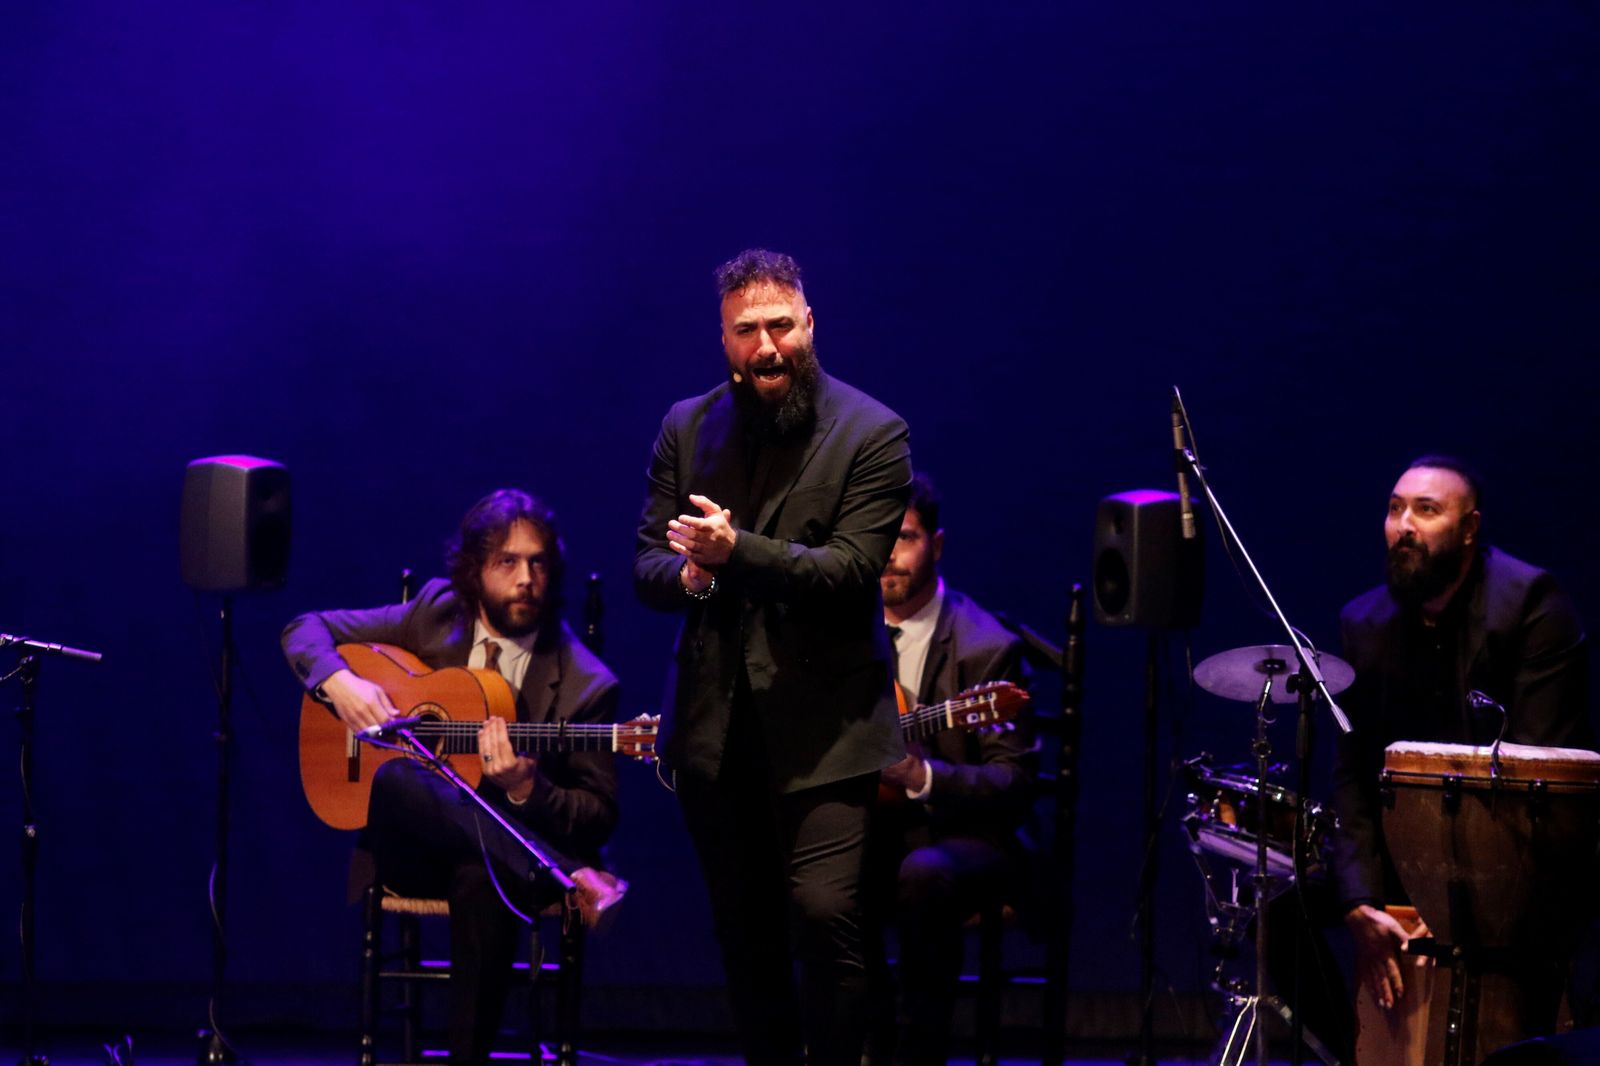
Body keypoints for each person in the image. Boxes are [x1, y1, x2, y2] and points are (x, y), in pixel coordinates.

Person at [633, 248, 912, 1066]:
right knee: (745, 937)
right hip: (717, 733)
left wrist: (734, 552)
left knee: (825, 918)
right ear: (723, 340)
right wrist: (691, 571)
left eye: (781, 327)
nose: (767, 347)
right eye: (747, 331)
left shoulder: (873, 432)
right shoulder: (686, 426)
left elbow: (852, 573)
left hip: (828, 733)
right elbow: (647, 566)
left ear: (810, 324)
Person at [282, 489, 623, 1066]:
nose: (525, 579)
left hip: (500, 869)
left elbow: (598, 811)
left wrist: (525, 787)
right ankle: (569, 877)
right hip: (410, 847)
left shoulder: (587, 683)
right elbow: (303, 628)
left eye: (538, 562)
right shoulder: (437, 614)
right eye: (507, 562)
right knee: (397, 780)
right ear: (474, 570)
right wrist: (338, 684)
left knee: (479, 881)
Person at [1330, 456, 1593, 1014]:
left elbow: (1535, 780)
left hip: (1518, 862)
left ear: (1469, 528)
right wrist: (1358, 901)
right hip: (1408, 862)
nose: (1404, 525)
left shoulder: (1529, 606)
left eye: (1426, 511)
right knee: (1292, 911)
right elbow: (1354, 774)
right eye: (1395, 509)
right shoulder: (1363, 624)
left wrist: (1451, 899)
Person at [864, 472, 1034, 1066]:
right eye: (876, 537)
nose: (887, 554)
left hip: (967, 838)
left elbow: (1013, 783)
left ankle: (917, 1053)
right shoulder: (844, 633)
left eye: (904, 537)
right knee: (806, 863)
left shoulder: (985, 647)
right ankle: (856, 1038)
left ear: (935, 545)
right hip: (871, 831)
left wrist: (922, 777)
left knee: (921, 874)